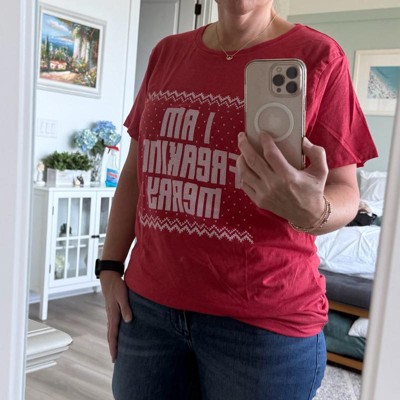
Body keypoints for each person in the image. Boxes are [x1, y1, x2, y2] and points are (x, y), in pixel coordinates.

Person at [98, 1, 377, 399]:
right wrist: (109, 266)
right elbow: (135, 171)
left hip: (263, 327)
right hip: (148, 314)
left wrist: (314, 210)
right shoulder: (167, 53)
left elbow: (347, 192)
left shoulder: (319, 56)